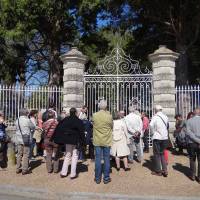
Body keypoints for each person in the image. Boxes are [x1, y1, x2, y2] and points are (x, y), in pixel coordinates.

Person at [52, 107, 85, 179]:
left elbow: (59, 128)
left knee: (67, 155)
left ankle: (63, 172)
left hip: (68, 140)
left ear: (70, 112)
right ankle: (73, 174)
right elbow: (81, 132)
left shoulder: (65, 120)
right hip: (76, 141)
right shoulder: (78, 121)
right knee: (75, 156)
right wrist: (83, 142)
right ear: (76, 112)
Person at [92, 100, 113, 184]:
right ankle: (106, 178)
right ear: (106, 107)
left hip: (97, 140)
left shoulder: (95, 115)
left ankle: (97, 178)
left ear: (99, 106)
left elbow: (94, 124)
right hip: (107, 140)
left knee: (97, 159)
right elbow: (112, 126)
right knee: (107, 159)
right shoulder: (109, 116)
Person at [150, 105, 169, 177]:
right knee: (162, 154)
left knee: (157, 154)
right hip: (165, 137)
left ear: (155, 110)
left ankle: (158, 171)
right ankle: (165, 170)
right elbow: (167, 126)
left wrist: (153, 133)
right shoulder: (166, 117)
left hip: (157, 137)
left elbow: (151, 126)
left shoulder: (155, 117)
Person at [15, 109, 35, 175]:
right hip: (26, 139)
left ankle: (17, 168)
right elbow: (33, 127)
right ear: (26, 113)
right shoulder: (27, 120)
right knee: (26, 154)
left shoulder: (17, 120)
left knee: (19, 154)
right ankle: (24, 170)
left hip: (18, 139)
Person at [186, 108, 200, 182]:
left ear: (194, 113)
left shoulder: (189, 121)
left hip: (192, 142)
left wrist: (196, 139)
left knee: (192, 159)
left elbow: (189, 133)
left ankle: (193, 175)